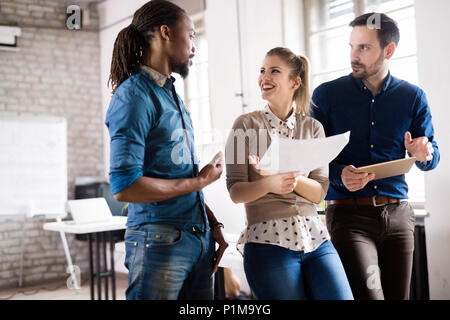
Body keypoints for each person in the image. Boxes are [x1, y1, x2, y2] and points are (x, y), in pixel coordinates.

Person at [311, 12, 440, 300]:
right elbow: (309, 161)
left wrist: (423, 153)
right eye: (352, 46)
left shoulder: (412, 97)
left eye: (364, 48)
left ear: (389, 51)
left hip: (399, 216)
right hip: (349, 216)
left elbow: (432, 157)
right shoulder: (326, 96)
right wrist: (339, 175)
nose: (354, 55)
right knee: (370, 296)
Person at [105, 0, 228, 300]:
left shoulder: (170, 94)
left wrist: (212, 223)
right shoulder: (133, 96)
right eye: (191, 35)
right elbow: (125, 187)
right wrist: (200, 182)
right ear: (165, 33)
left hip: (197, 239)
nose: (194, 46)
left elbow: (176, 175)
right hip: (159, 242)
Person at [225, 47, 353, 300]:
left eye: (274, 71)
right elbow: (235, 191)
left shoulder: (313, 127)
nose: (264, 77)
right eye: (262, 70)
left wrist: (291, 178)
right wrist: (270, 183)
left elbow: (319, 193)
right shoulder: (244, 125)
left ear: (295, 82)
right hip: (267, 240)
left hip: (315, 239)